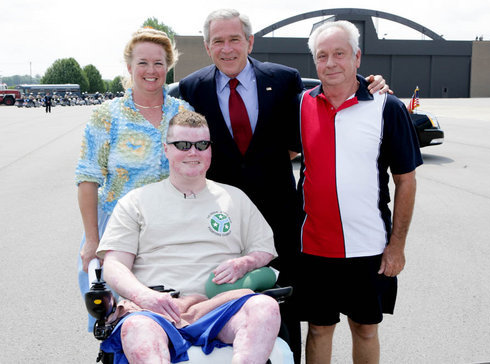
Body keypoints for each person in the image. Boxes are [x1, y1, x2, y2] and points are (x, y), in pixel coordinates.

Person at [177, 9, 390, 362]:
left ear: (250, 41)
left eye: (234, 40)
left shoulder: (284, 78)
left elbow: (325, 98)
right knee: (222, 297)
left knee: (286, 302)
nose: (227, 49)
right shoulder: (192, 87)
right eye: (218, 41)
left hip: (280, 215)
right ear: (206, 46)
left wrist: (370, 83)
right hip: (219, 217)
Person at [96, 110, 282, 363]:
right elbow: (115, 265)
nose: (193, 152)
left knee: (265, 307)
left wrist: (245, 263)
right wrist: (144, 296)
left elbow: (264, 249)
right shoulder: (136, 202)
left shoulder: (235, 198)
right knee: (137, 329)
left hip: (219, 307)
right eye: (182, 145)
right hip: (155, 309)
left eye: (201, 145)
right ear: (166, 150)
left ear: (210, 150)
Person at [296, 20, 423, 364]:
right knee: (319, 329)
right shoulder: (300, 105)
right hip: (315, 247)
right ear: (315, 62)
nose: (331, 62)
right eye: (322, 56)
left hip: (369, 246)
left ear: (357, 57)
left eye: (340, 53)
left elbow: (406, 180)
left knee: (365, 328)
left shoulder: (387, 108)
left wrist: (397, 246)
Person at [75, 27, 193, 331]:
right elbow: (87, 178)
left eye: (158, 63)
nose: (151, 71)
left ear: (168, 66)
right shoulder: (107, 115)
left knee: (170, 321)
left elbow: (196, 170)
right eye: (143, 62)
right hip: (117, 232)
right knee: (116, 324)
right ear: (129, 67)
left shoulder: (183, 113)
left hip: (171, 233)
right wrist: (92, 239)